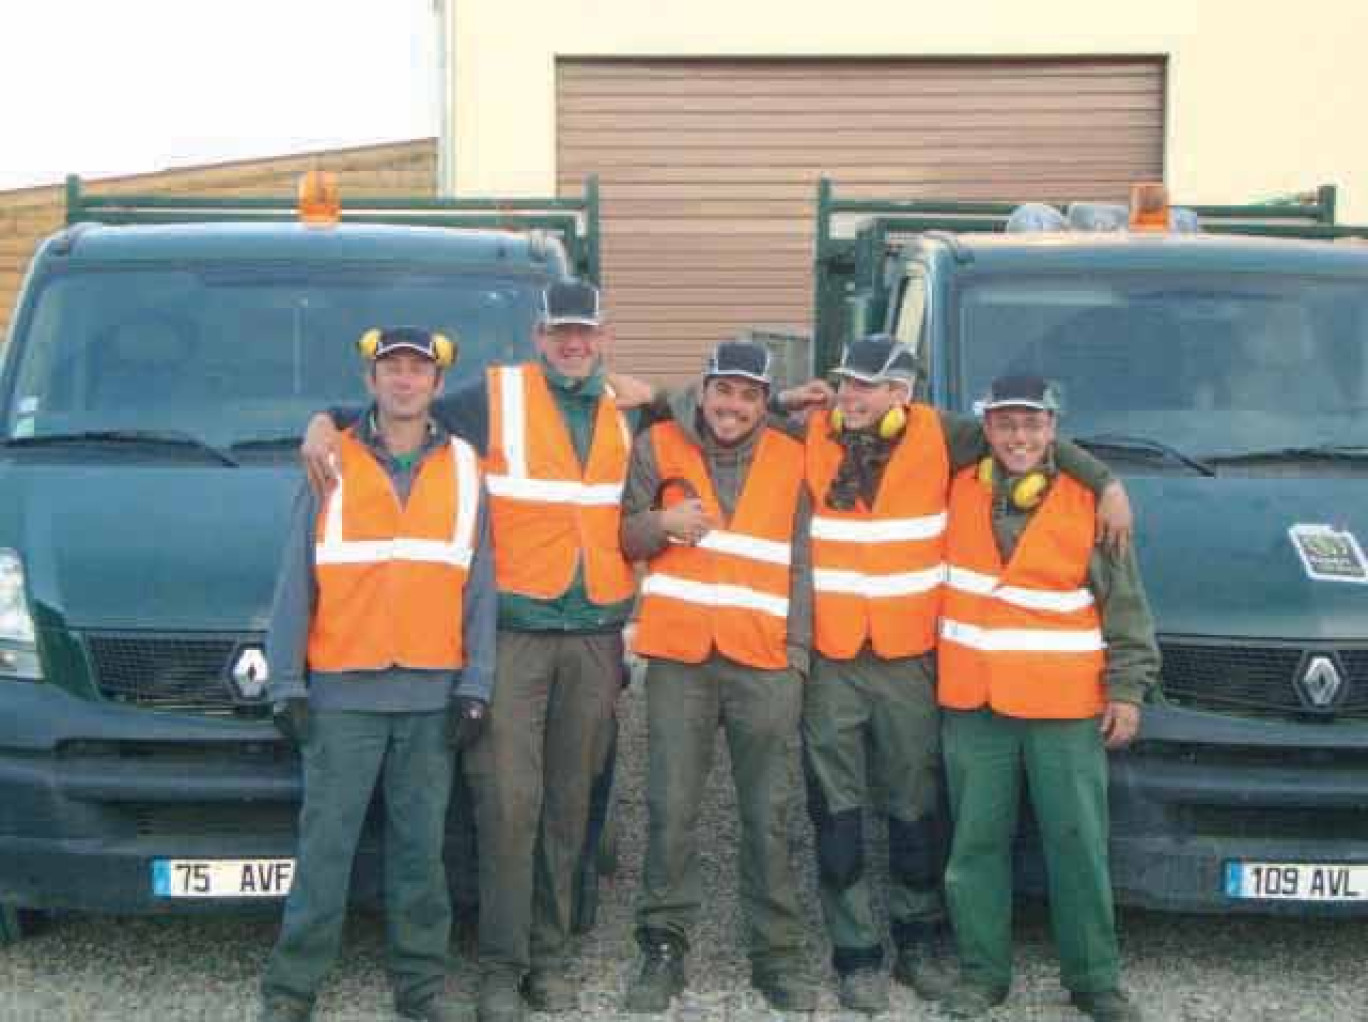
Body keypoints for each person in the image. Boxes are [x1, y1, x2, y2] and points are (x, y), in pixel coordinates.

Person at [618, 335, 1132, 1014]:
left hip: (908, 659)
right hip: (832, 659)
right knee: (836, 811)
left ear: (902, 395)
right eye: (845, 383)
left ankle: (917, 944)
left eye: (868, 386)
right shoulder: (807, 435)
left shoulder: (945, 437)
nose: (851, 397)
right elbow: (716, 414)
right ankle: (855, 955)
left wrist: (1105, 480)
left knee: (913, 807)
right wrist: (662, 396)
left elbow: (1025, 438)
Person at [301, 279, 645, 1022]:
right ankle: (500, 968)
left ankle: (549, 963)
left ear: (604, 337)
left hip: (592, 638)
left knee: (567, 807)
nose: (574, 344)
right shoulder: (494, 398)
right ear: (539, 336)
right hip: (513, 634)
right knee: (506, 807)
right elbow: (394, 413)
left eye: (586, 333)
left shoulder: (630, 410)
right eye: (561, 333)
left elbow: (715, 416)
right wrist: (322, 421)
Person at [260, 326, 496, 1022]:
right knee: (324, 851)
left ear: (434, 384)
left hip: (432, 695)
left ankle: (421, 991)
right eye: (390, 368)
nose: (403, 380)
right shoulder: (330, 458)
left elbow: (480, 585)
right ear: (370, 381)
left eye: (416, 370)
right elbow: (295, 580)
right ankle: (291, 991)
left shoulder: (463, 464)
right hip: (343, 697)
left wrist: (476, 684)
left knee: (421, 857)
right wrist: (285, 682)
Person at [936, 374, 1159, 1022]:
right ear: (988, 429)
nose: (1019, 437)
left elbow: (1125, 606)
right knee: (974, 846)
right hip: (975, 704)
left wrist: (1127, 691)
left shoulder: (1090, 500)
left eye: (1032, 425)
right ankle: (982, 975)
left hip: (1064, 708)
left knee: (1078, 844)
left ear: (1053, 430)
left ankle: (1094, 980)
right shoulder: (955, 483)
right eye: (1006, 424)